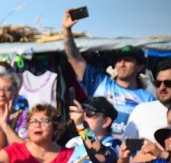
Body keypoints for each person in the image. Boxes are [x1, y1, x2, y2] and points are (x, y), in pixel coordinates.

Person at [63, 9, 155, 137]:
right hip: (90, 146)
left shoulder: (148, 99)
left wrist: (123, 149)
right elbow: (74, 58)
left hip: (125, 154)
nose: (121, 64)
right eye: (118, 60)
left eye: (128, 60)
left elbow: (147, 137)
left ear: (140, 66)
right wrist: (67, 30)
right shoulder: (99, 82)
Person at [124, 58, 171, 142]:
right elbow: (127, 145)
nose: (162, 88)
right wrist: (145, 146)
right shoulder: (141, 111)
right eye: (158, 83)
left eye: (168, 83)